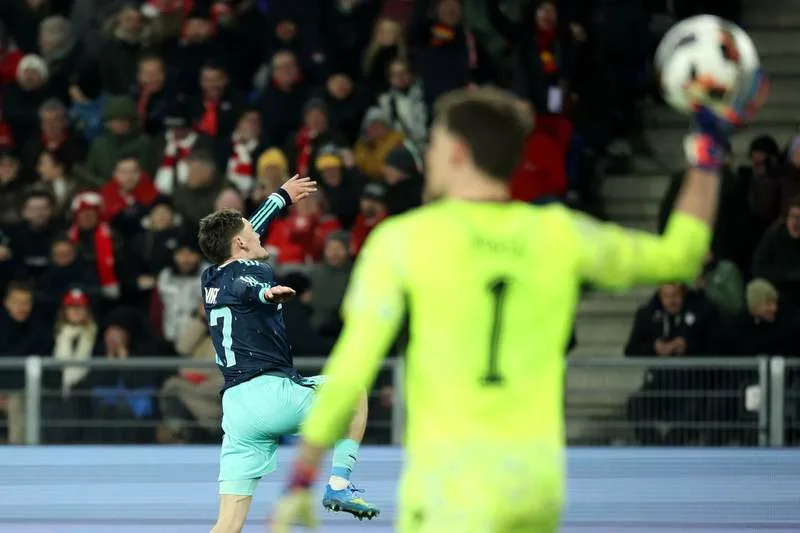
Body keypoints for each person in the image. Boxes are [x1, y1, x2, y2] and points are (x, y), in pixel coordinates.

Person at [271, 86, 744, 532]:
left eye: (432, 145)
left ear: (457, 152)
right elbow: (681, 255)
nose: (428, 157)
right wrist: (708, 150)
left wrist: (302, 475)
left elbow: (355, 364)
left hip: (448, 490)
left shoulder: (404, 240)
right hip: (532, 486)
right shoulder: (560, 234)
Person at [197, 174, 379, 533]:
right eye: (252, 230)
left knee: (228, 524)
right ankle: (339, 485)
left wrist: (281, 197)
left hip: (236, 409)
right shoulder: (253, 272)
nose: (258, 232)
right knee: (353, 391)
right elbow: (248, 287)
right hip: (270, 394)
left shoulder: (211, 277)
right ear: (240, 243)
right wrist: (268, 295)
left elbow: (245, 240)